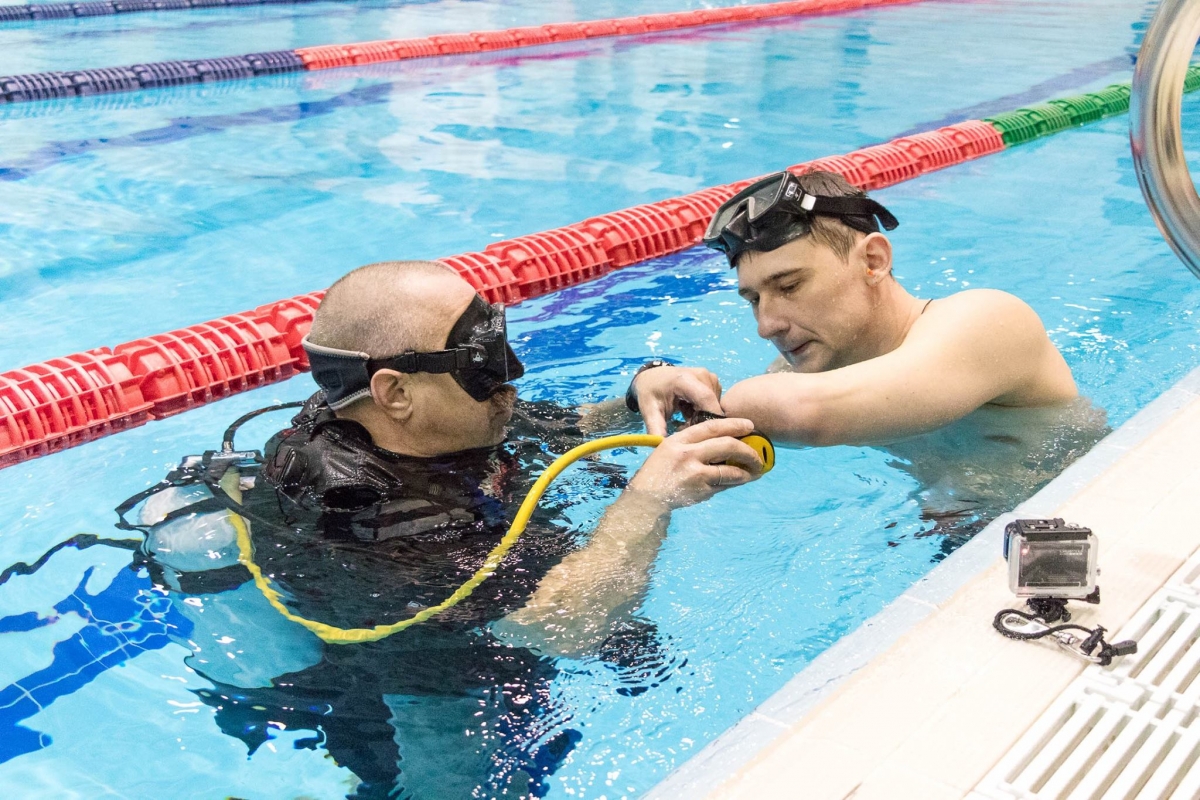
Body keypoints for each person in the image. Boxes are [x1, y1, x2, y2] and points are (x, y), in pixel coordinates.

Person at [119, 259, 766, 799]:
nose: (510, 377)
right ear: (395, 392)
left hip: (476, 604)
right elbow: (567, 626)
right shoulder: (370, 522)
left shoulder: (414, 421)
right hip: (410, 699)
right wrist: (649, 498)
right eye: (483, 366)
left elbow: (546, 427)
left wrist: (634, 397)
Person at [629, 169, 1106, 537]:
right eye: (754, 300)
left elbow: (792, 411)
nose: (765, 325)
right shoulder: (815, 364)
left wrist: (712, 409)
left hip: (1084, 527)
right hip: (954, 533)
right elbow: (677, 426)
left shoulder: (988, 321)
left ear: (874, 261)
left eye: (790, 285)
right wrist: (649, 383)